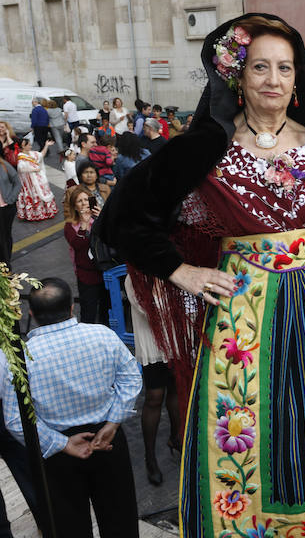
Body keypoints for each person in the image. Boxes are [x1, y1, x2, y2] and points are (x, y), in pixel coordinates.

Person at [97, 12, 305, 536]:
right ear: (237, 76)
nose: (273, 80)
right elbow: (122, 218)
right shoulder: (207, 146)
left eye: (284, 68)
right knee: (257, 428)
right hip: (244, 325)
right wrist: (181, 271)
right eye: (259, 67)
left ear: (298, 75)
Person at [0, 277, 142, 536]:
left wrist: (63, 444)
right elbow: (131, 378)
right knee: (120, 519)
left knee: (69, 527)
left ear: (31, 313)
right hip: (107, 441)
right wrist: (112, 424)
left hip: (57, 454)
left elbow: (14, 421)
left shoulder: (17, 359)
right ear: (71, 308)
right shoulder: (102, 336)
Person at [124, 275, 178, 486]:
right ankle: (150, 458)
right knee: (155, 397)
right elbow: (150, 311)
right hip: (153, 344)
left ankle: (176, 438)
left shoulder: (171, 269)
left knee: (175, 389)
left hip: (175, 340)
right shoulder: (133, 278)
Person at [63, 186, 109, 324]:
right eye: (79, 201)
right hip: (87, 275)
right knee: (88, 311)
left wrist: (103, 218)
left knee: (107, 309)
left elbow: (112, 236)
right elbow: (78, 246)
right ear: (74, 206)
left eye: (86, 199)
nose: (84, 203)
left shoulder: (99, 218)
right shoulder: (70, 226)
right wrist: (83, 224)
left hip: (105, 270)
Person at [15, 137, 57, 221]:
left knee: (41, 194)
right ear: (23, 146)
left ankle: (44, 212)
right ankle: (37, 213)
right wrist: (34, 169)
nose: (31, 146)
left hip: (39, 180)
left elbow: (41, 155)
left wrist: (46, 145)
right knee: (35, 195)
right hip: (30, 183)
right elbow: (20, 168)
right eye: (29, 145)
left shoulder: (32, 153)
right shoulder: (21, 157)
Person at [0, 156, 20, 264]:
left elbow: (17, 182)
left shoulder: (4, 165)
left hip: (7, 207)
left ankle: (6, 261)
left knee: (6, 235)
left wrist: (12, 198)